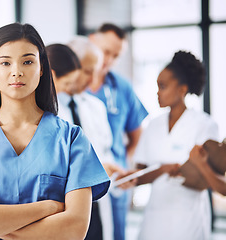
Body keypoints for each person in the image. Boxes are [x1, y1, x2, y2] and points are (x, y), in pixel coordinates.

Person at [0, 23, 111, 240]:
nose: (16, 71)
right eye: (5, 63)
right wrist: (47, 208)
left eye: (27, 61)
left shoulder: (72, 139)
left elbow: (74, 230)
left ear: (42, 68)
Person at [133, 50, 219, 240]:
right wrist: (162, 170)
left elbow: (211, 177)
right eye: (157, 86)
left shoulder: (204, 125)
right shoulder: (153, 126)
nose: (157, 92)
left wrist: (187, 169)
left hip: (188, 219)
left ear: (182, 89)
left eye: (162, 86)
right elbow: (139, 176)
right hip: (154, 217)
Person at [46, 42, 118, 240]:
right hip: (64, 208)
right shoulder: (45, 113)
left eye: (96, 71)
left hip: (97, 206)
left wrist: (115, 172)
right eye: (87, 71)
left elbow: (105, 152)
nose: (92, 79)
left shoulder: (96, 107)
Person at [89, 23, 148, 240]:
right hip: (83, 179)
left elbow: (136, 133)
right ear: (92, 40)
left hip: (114, 179)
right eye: (106, 52)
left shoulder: (121, 88)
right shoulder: (73, 86)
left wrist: (124, 161)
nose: (109, 60)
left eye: (115, 56)